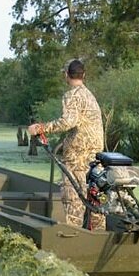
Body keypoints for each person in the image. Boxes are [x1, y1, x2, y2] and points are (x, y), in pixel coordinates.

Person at [28, 59, 105, 230]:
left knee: (73, 197)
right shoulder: (89, 95)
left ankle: (74, 234)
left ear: (66, 75)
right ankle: (99, 235)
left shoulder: (72, 95)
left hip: (78, 156)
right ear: (83, 75)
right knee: (95, 195)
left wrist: (41, 127)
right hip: (96, 155)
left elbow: (68, 122)